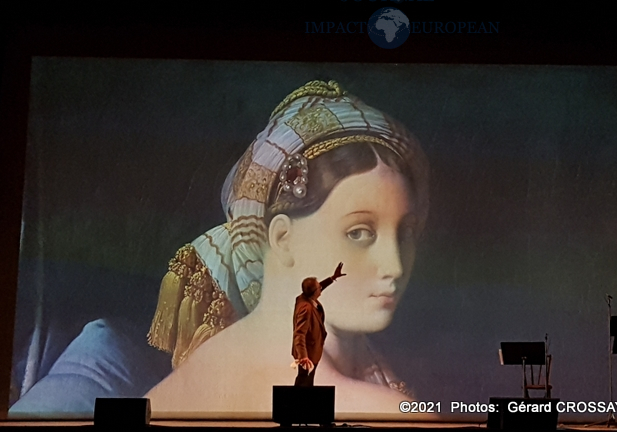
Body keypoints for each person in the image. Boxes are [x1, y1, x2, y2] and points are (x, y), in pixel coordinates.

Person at [143, 80, 429, 414]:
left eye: (405, 233)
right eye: (358, 233)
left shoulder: (211, 361)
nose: (394, 265)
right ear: (282, 238)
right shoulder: (377, 410)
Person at [292, 263, 346, 386]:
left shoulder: (303, 297)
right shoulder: (306, 309)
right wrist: (303, 357)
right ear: (314, 292)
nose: (320, 289)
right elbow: (299, 334)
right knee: (304, 380)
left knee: (308, 379)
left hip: (312, 351)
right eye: (318, 288)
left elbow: (316, 287)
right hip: (308, 352)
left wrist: (332, 278)